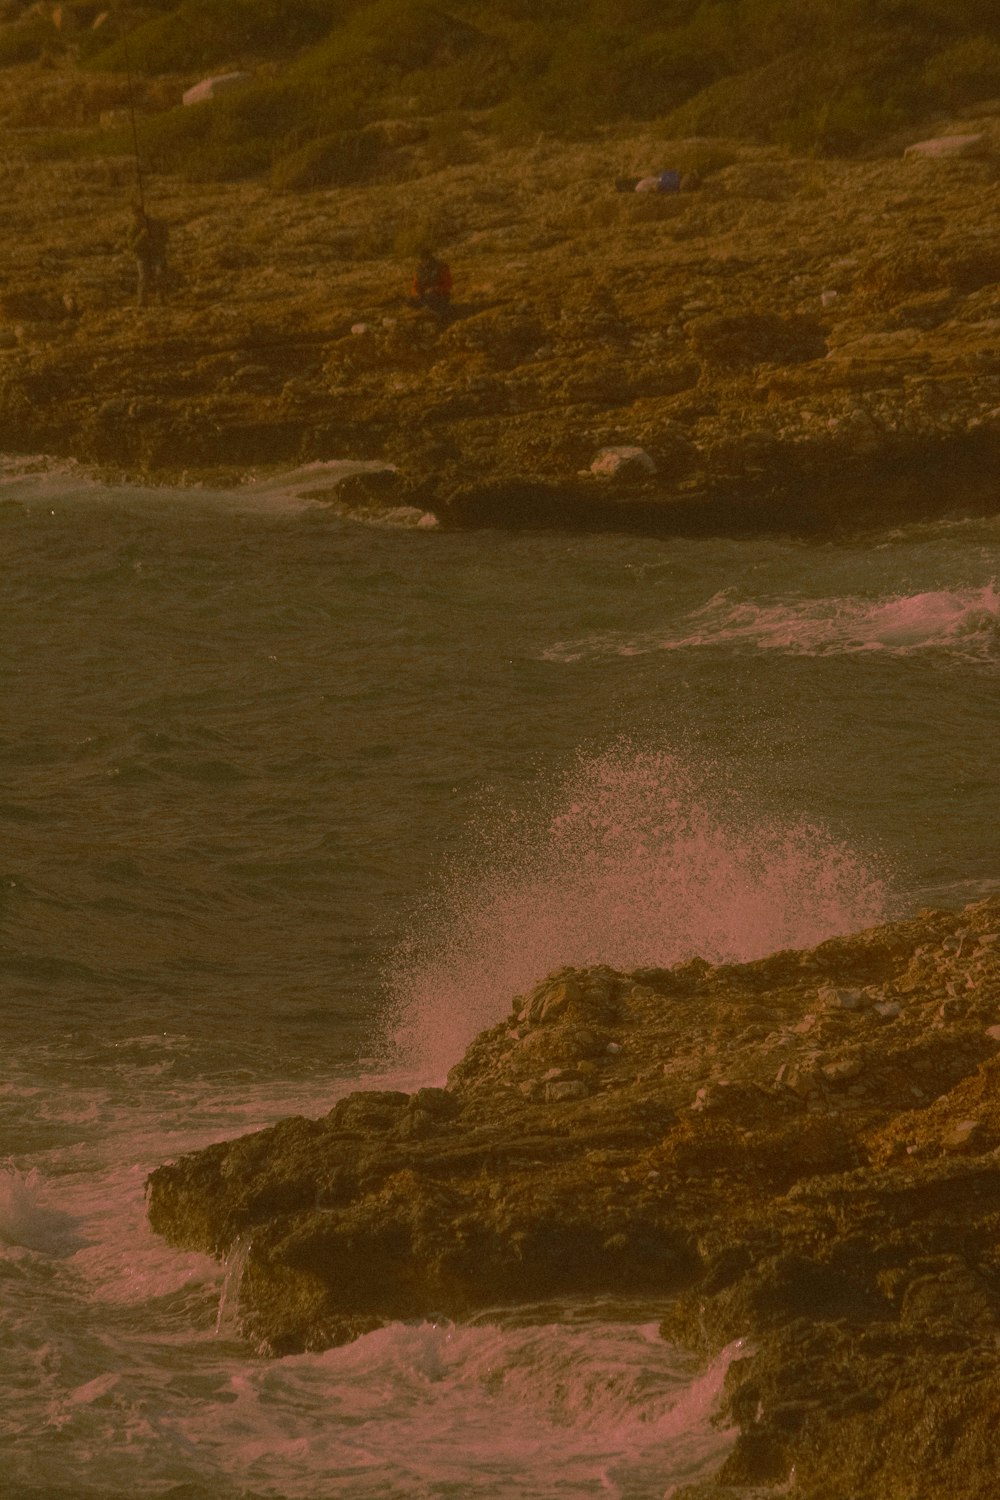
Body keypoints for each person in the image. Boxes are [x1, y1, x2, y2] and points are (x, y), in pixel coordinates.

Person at [127, 201, 169, 307]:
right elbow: (132, 246)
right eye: (135, 215)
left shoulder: (155, 223)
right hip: (142, 256)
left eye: (139, 214)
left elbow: (165, 236)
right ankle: (142, 301)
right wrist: (141, 236)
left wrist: (156, 241)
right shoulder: (132, 229)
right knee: (144, 277)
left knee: (160, 273)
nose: (137, 217)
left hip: (156, 253)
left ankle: (161, 298)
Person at [409, 250, 452, 318]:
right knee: (409, 300)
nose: (423, 261)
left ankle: (438, 311)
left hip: (440, 295)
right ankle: (427, 308)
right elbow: (415, 285)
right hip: (424, 295)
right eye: (421, 259)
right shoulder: (419, 270)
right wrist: (416, 293)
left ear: (429, 258)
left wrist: (435, 289)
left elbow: (448, 285)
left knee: (431, 296)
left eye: (425, 259)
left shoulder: (441, 267)